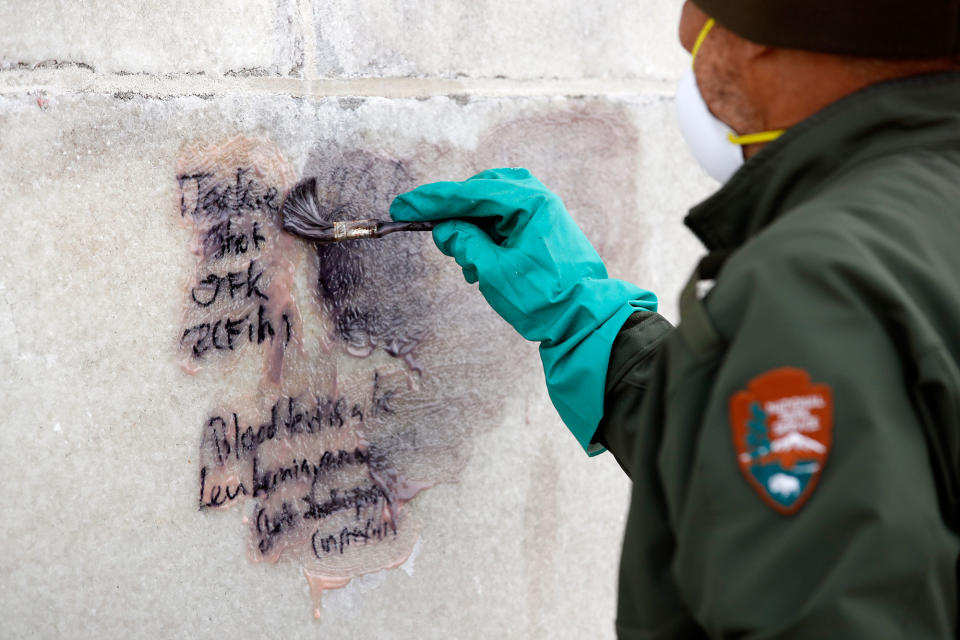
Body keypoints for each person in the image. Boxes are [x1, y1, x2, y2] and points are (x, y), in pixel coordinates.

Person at [390, 1, 960, 636]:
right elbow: (765, 478)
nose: (686, 32)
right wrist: (591, 324)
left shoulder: (817, 281)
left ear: (765, 36)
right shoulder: (923, 221)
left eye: (700, 12)